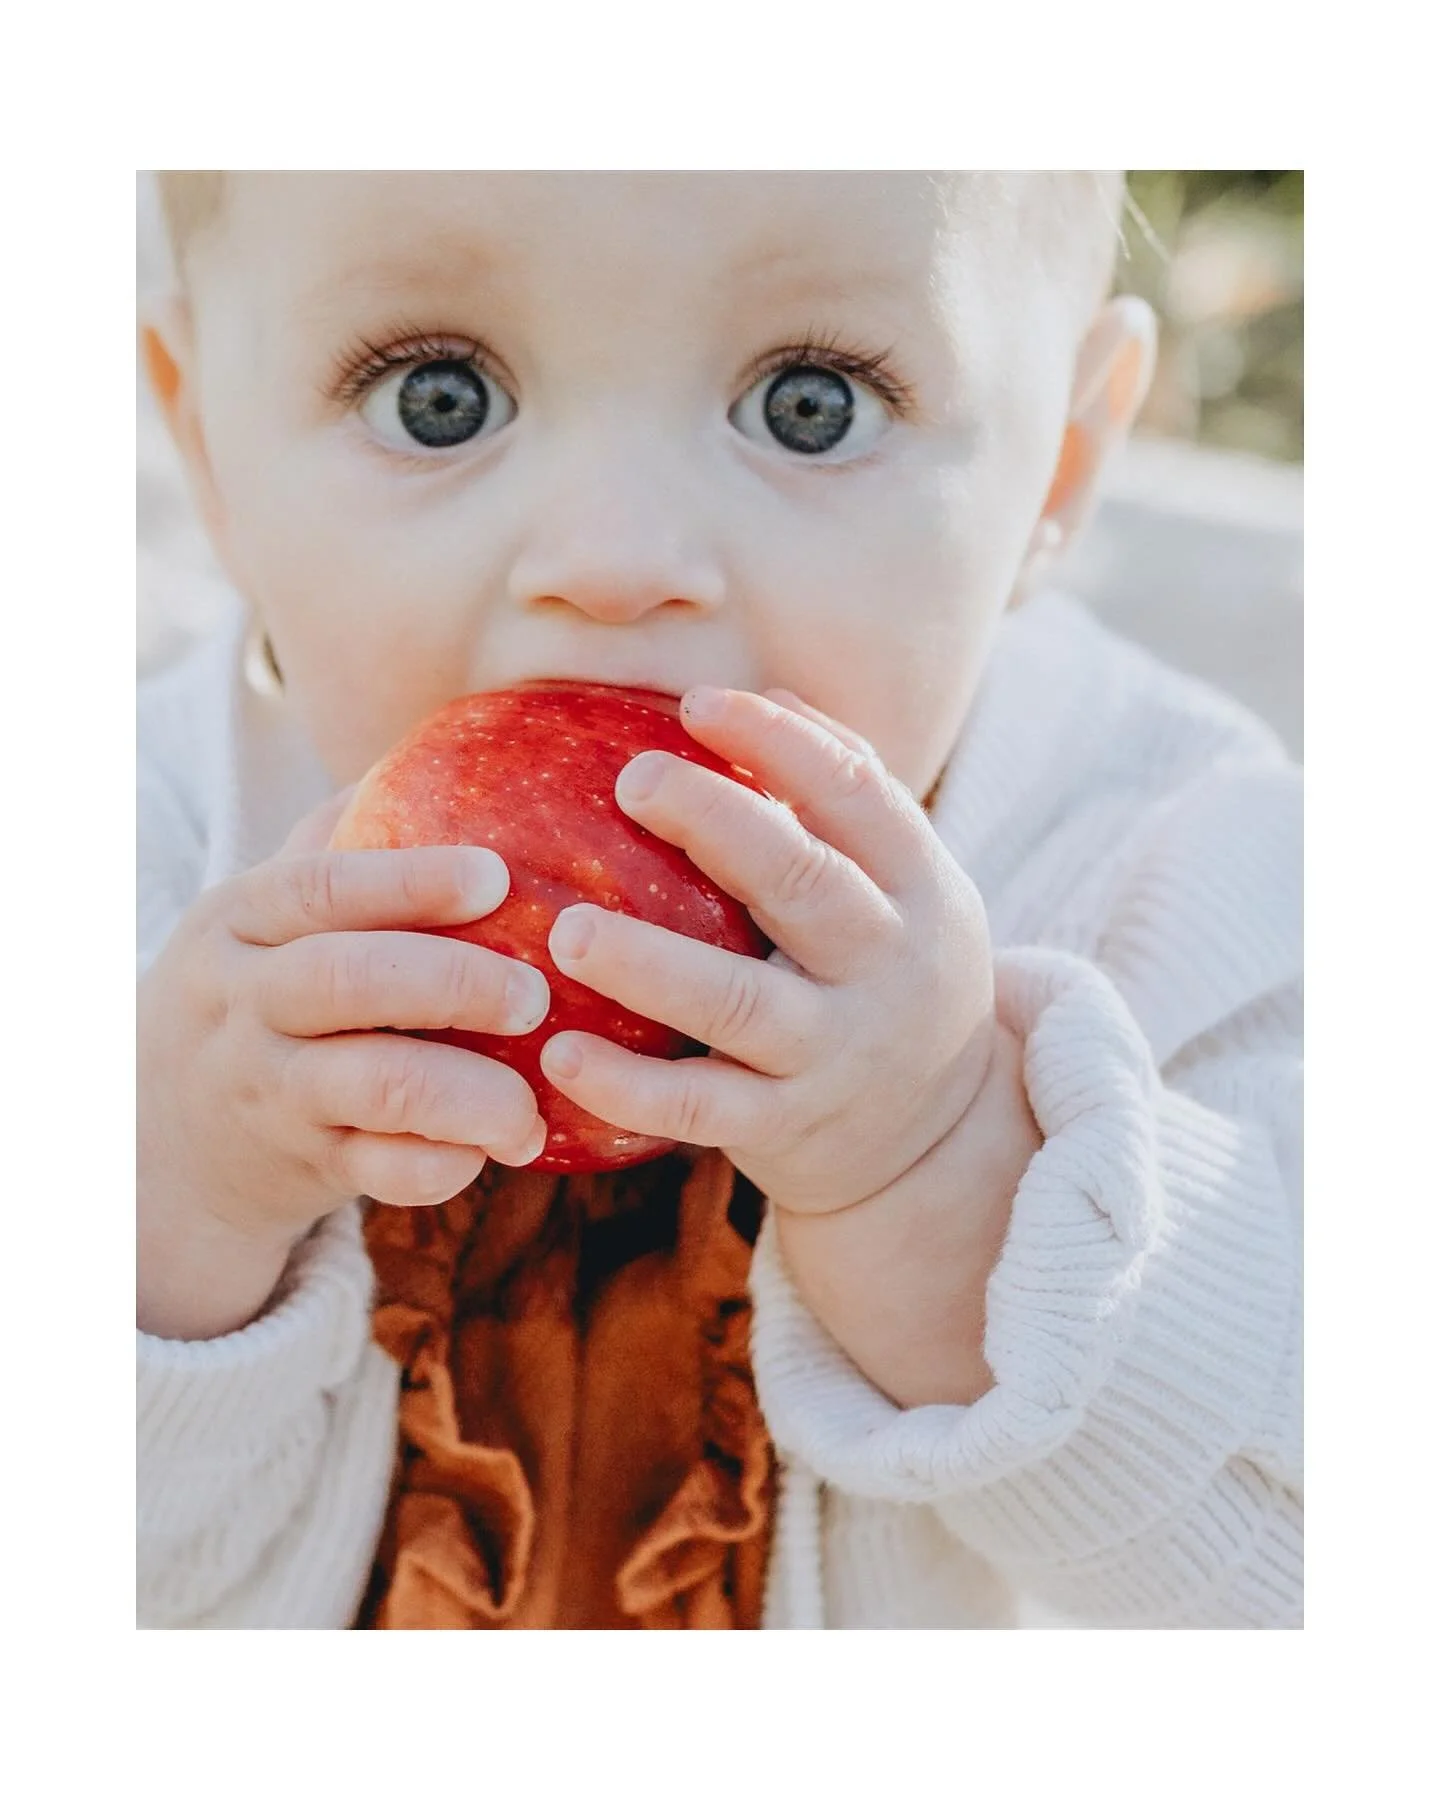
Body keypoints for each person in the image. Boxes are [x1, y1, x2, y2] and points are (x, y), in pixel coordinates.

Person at [137, 171, 1302, 1629]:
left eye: (813, 404)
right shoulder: (143, 855)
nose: (616, 565)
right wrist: (168, 1203)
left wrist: (951, 1174)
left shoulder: (1188, 871)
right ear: (208, 449)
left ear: (1059, 467)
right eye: (438, 398)